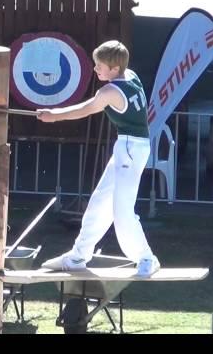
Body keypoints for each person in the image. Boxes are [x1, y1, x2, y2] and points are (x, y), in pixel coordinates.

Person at [38, 40, 160, 277]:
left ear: (114, 69)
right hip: (127, 147)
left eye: (99, 66)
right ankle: (78, 256)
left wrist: (54, 116)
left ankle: (147, 258)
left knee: (122, 211)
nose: (96, 69)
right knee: (99, 203)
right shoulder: (131, 75)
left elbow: (86, 109)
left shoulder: (109, 91)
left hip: (131, 149)